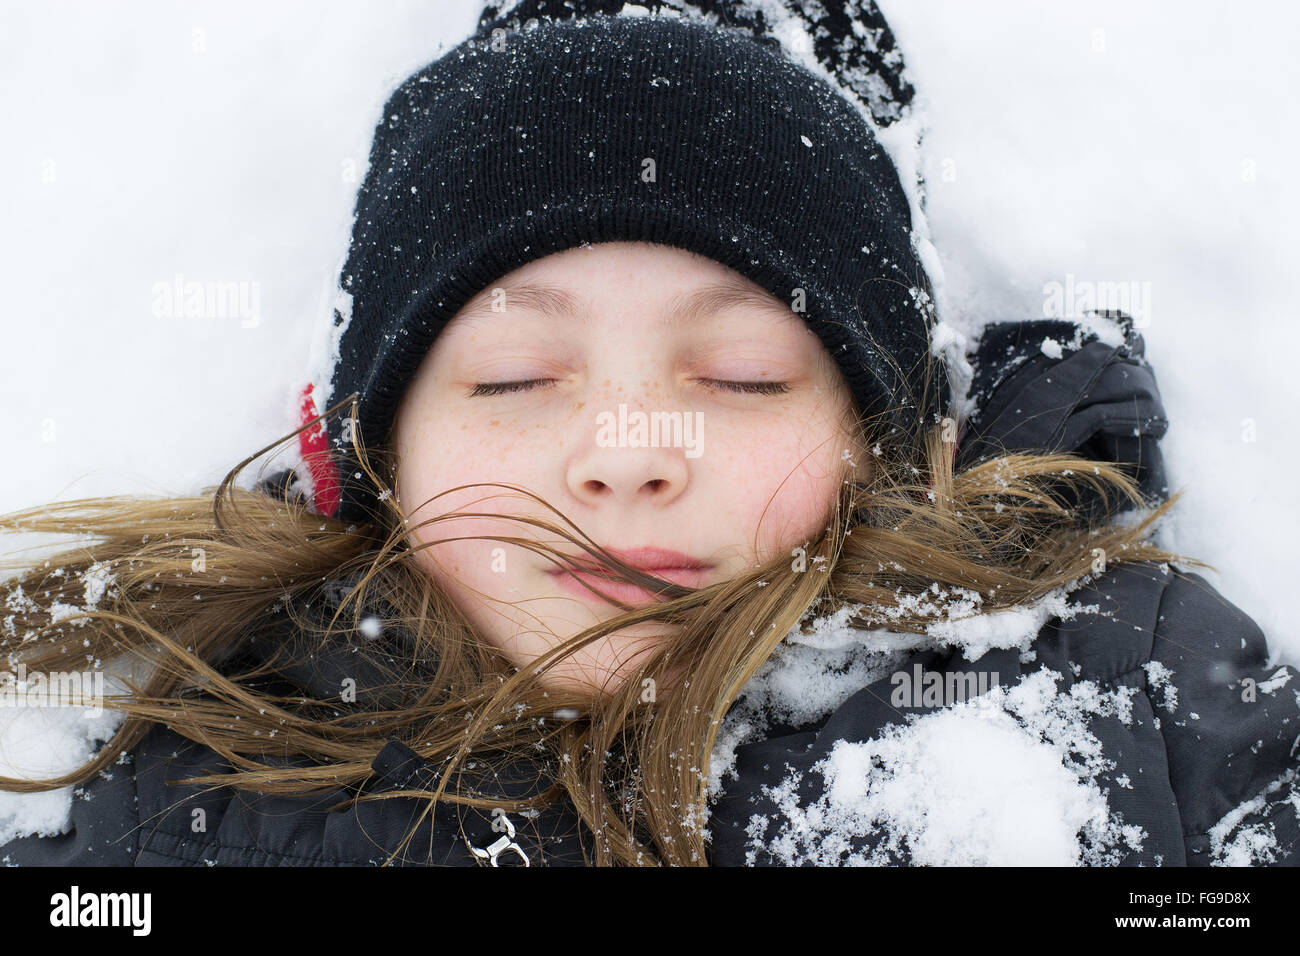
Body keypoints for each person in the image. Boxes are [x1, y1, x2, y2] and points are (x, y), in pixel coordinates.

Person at [1, 0, 1296, 867]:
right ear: (368, 464)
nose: (624, 450)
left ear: (899, 449)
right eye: (512, 377)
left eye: (739, 375)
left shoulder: (1130, 696)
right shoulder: (177, 791)